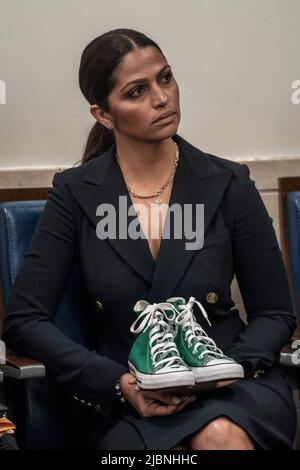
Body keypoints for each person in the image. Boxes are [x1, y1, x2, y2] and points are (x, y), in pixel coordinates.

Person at [2, 28, 297, 450]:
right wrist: (116, 383)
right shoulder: (75, 192)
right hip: (127, 396)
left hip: (234, 387)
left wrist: (231, 368)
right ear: (103, 115)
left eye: (165, 78)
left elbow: (275, 314)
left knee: (220, 435)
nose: (162, 98)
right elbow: (24, 321)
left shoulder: (228, 182)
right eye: (136, 92)